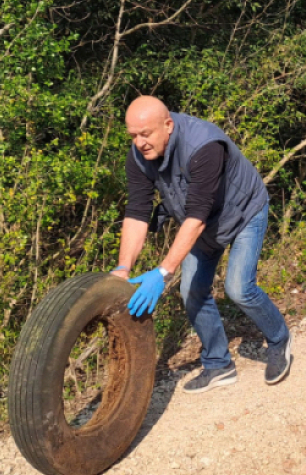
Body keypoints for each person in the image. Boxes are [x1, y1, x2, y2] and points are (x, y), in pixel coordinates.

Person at [111, 96, 293, 392]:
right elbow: (137, 212)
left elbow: (196, 217)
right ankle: (219, 364)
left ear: (168, 125)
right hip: (201, 221)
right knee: (191, 291)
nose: (139, 143)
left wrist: (163, 272)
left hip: (243, 212)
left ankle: (279, 339)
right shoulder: (139, 156)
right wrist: (123, 267)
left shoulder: (204, 145)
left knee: (239, 288)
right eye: (133, 135)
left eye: (145, 134)